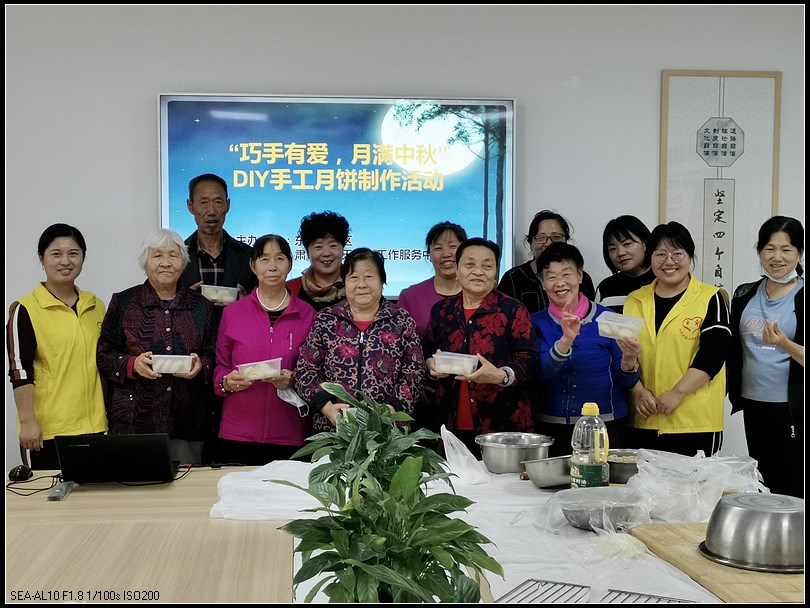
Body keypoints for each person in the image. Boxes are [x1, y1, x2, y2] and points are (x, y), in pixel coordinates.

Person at [96, 228, 216, 465]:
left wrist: (200, 365)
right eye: (157, 255)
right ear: (145, 262)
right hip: (134, 422)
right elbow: (104, 355)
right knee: (135, 485)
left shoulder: (202, 306)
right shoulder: (124, 302)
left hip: (187, 422)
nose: (165, 263)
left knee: (188, 486)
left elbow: (213, 354)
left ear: (183, 262)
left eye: (173, 255)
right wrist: (133, 364)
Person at [424, 237, 540, 457]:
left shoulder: (512, 310)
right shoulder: (441, 311)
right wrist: (431, 364)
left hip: (502, 425)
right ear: (457, 270)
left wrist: (501, 375)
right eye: (470, 264)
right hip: (449, 423)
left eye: (487, 266)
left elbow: (529, 358)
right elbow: (426, 351)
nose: (478, 272)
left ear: (495, 272)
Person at [623, 221, 731, 457]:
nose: (668, 261)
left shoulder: (711, 297)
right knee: (644, 481)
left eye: (677, 253)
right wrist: (637, 391)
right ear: (650, 258)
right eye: (660, 254)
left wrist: (677, 393)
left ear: (690, 256)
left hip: (694, 421)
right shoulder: (634, 300)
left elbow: (713, 356)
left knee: (693, 481)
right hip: (645, 418)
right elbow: (624, 354)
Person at [6, 224, 108, 470]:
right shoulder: (25, 309)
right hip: (48, 432)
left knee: (94, 493)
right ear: (42, 259)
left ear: (83, 258)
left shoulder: (96, 305)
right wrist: (28, 422)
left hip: (94, 427)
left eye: (73, 253)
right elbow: (20, 370)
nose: (65, 261)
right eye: (56, 254)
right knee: (48, 494)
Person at [295, 248, 425, 432]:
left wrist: (391, 409)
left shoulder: (401, 320)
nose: (361, 284)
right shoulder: (327, 319)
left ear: (382, 281)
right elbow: (305, 370)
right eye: (354, 278)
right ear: (344, 282)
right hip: (334, 428)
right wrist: (326, 407)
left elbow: (415, 372)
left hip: (388, 432)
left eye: (369, 277)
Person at [213, 235, 316, 465]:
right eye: (264, 259)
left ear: (289, 264)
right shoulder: (233, 313)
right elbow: (220, 366)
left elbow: (315, 372)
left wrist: (294, 379)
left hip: (290, 433)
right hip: (238, 432)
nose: (272, 266)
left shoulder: (308, 315)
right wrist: (227, 382)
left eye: (279, 258)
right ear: (253, 265)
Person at [531, 242, 641, 456]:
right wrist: (565, 340)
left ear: (580, 276)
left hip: (605, 425)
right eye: (551, 277)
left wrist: (629, 361)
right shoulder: (535, 322)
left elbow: (626, 382)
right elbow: (540, 373)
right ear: (542, 283)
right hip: (550, 426)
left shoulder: (609, 319)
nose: (560, 283)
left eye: (567, 274)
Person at [181, 173, 256, 463]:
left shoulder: (248, 256)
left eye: (217, 202)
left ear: (228, 205)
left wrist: (247, 301)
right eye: (203, 203)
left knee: (231, 449)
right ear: (190, 206)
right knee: (194, 444)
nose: (211, 210)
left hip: (236, 362)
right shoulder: (177, 257)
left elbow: (266, 305)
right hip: (193, 361)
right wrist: (185, 298)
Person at [727, 216, 804, 497]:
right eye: (769, 248)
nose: (777, 257)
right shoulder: (744, 293)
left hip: (792, 408)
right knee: (763, 483)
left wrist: (784, 343)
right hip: (753, 403)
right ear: (760, 251)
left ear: (799, 253)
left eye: (786, 249)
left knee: (793, 485)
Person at [498, 210, 595, 314]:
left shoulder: (583, 279)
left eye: (556, 237)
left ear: (565, 240)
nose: (548, 243)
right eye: (541, 238)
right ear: (530, 243)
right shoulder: (512, 278)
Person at [398, 221, 467, 340]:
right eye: (438, 248)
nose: (446, 254)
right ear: (429, 255)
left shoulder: (480, 294)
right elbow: (400, 342)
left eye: (452, 246)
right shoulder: (410, 296)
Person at [286, 210, 351, 312]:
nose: (326, 253)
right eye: (318, 247)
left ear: (343, 249)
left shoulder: (358, 286)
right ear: (307, 252)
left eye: (333, 245)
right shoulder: (289, 290)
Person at [595, 215, 654, 313]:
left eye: (627, 244)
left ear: (644, 244)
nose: (620, 253)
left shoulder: (662, 281)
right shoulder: (605, 288)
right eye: (613, 248)